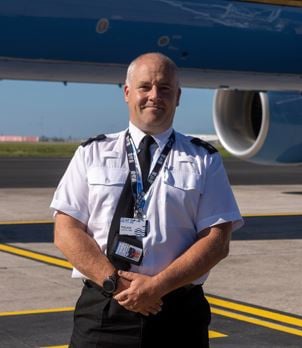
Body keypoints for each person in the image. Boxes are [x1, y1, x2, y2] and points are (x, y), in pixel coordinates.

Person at [50, 52, 243, 348]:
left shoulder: (204, 159)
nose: (154, 96)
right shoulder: (91, 153)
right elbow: (66, 231)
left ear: (177, 97)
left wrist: (156, 287)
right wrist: (116, 283)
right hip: (105, 311)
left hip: (177, 313)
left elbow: (217, 240)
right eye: (145, 87)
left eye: (164, 88)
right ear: (127, 93)